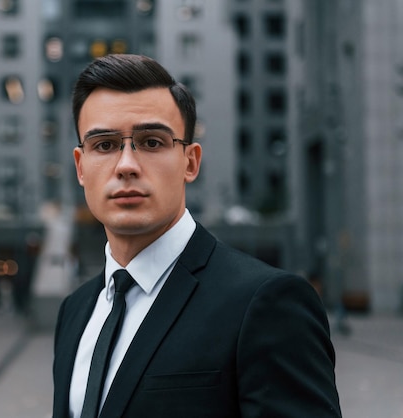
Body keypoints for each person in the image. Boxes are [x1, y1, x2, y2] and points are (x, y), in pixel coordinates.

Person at [52, 54, 341, 418]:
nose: (126, 165)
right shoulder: (75, 310)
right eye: (105, 145)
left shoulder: (266, 303)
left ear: (190, 162)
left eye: (152, 142)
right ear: (80, 166)